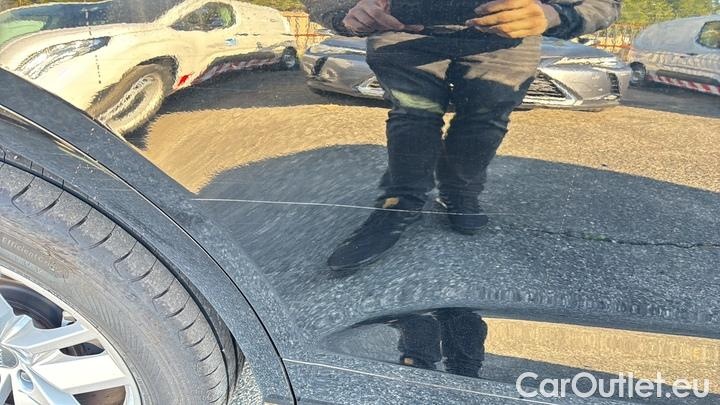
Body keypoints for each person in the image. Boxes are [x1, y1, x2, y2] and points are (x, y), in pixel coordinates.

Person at [302, 0, 621, 270]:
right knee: (413, 116)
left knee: (485, 121)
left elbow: (604, 4)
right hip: (399, 29)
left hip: (506, 35)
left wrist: (555, 15)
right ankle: (400, 203)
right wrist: (344, 11)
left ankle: (458, 193)